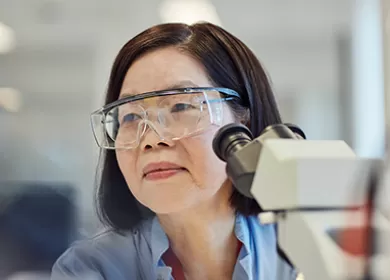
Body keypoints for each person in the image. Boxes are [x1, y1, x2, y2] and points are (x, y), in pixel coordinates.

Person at [51, 22, 298, 280]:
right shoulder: (90, 269)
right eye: (131, 117)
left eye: (180, 107)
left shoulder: (302, 251)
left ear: (243, 122)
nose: (151, 140)